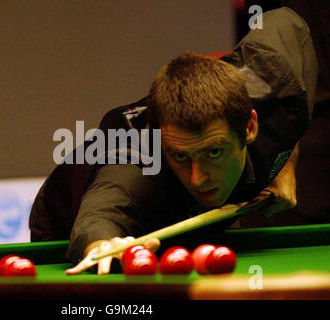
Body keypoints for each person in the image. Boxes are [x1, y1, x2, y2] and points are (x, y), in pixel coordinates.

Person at [29, 7, 318, 275]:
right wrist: (101, 244)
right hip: (68, 226)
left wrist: (285, 162)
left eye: (214, 152)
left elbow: (285, 20)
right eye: (180, 156)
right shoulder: (136, 163)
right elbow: (102, 213)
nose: (198, 178)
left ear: (250, 126)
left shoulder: (278, 82)